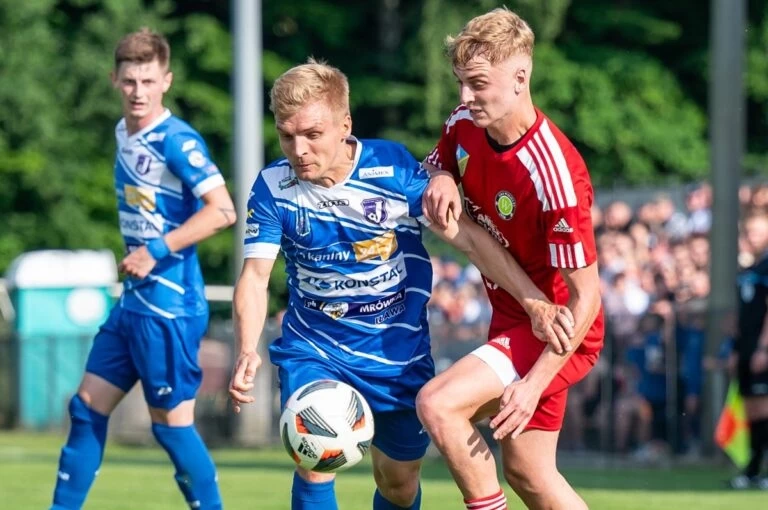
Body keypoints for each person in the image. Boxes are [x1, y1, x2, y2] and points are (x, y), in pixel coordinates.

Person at [227, 59, 575, 510]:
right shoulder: (274, 187)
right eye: (286, 136)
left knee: (398, 484)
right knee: (315, 455)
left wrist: (534, 302)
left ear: (344, 126)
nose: (299, 149)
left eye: (312, 134)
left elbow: (468, 238)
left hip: (396, 353)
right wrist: (247, 348)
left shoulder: (389, 169)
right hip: (314, 345)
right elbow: (255, 277)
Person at [416, 8, 604, 510]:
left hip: (557, 331)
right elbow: (440, 159)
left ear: (521, 77)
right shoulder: (463, 123)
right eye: (460, 82)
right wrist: (440, 175)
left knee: (438, 404)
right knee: (529, 473)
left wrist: (534, 382)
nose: (464, 97)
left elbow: (587, 298)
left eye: (478, 83)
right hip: (516, 314)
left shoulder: (556, 175)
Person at [50, 28, 235, 510]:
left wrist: (155, 249)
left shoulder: (177, 141)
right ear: (114, 80)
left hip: (169, 307)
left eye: (148, 81)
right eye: (130, 81)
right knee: (85, 407)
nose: (138, 92)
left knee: (171, 427)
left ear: (166, 81)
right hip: (134, 301)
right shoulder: (122, 132)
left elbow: (222, 210)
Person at [730, 211, 768, 490]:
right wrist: (734, 348)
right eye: (748, 232)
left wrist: (763, 348)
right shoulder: (749, 268)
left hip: (761, 348)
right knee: (752, 410)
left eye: (756, 232)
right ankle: (753, 471)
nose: (750, 237)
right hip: (746, 347)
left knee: (764, 407)